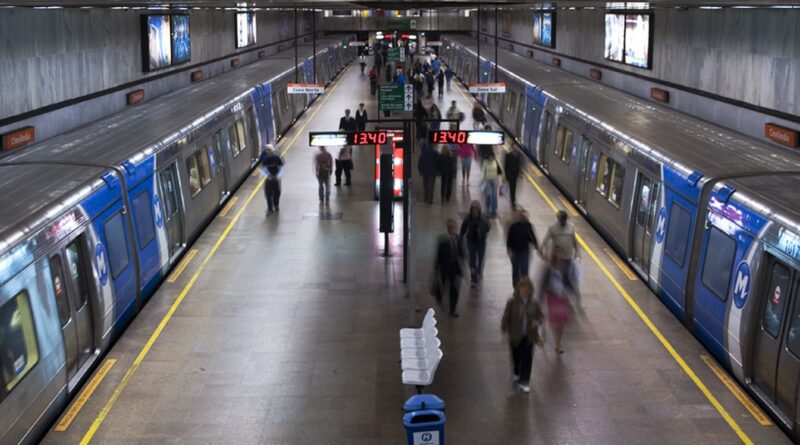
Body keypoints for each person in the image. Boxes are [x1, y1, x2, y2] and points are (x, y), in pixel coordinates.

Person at [501, 277, 543, 393]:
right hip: (515, 336)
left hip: (529, 336)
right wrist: (505, 332)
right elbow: (506, 318)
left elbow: (540, 316)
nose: (525, 290)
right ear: (519, 289)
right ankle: (516, 371)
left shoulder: (534, 302)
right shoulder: (512, 302)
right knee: (516, 357)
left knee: (527, 359)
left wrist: (536, 322)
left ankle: (525, 381)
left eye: (527, 288)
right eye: (523, 287)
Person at [540, 210, 582, 306]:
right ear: (558, 219)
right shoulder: (553, 228)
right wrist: (542, 249)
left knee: (567, 276)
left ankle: (571, 294)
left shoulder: (571, 227)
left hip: (568, 258)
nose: (562, 221)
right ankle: (562, 294)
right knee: (559, 277)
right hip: (556, 259)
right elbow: (546, 240)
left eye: (563, 219)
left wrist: (577, 252)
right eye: (560, 219)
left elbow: (574, 241)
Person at [543, 247, 572, 354]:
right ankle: (556, 340)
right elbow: (544, 284)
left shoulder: (564, 268)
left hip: (562, 297)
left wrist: (569, 294)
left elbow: (568, 282)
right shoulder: (548, 268)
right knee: (556, 320)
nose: (560, 256)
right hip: (552, 297)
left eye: (561, 253)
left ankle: (558, 343)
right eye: (557, 253)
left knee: (562, 321)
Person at [435, 219, 464, 317]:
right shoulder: (443, 240)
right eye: (450, 227)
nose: (453, 229)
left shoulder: (457, 238)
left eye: (454, 227)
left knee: (454, 289)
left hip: (455, 268)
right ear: (448, 228)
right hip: (445, 268)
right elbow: (439, 255)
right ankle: (441, 300)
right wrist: (435, 268)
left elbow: (461, 252)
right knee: (444, 287)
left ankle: (452, 310)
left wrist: (463, 264)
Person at [460, 201, 490, 287]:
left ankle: (479, 271)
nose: (475, 212)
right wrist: (460, 239)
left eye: (477, 210)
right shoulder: (467, 219)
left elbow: (488, 227)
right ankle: (473, 278)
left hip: (481, 242)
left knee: (480, 259)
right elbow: (462, 230)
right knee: (472, 260)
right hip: (471, 242)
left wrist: (483, 232)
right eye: (473, 210)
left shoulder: (483, 219)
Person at [506, 208, 539, 287]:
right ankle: (516, 287)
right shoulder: (513, 226)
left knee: (524, 270)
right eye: (521, 215)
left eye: (524, 216)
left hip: (524, 251)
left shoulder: (528, 225)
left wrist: (536, 245)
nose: (522, 217)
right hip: (515, 251)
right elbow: (509, 238)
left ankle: (525, 287)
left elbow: (532, 237)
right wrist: (509, 249)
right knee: (515, 271)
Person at [259, 144, 284, 216]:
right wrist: (267, 175)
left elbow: (282, 166)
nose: (267, 152)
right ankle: (270, 209)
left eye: (268, 150)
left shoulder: (276, 158)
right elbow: (262, 168)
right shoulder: (265, 159)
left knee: (277, 193)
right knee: (268, 194)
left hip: (276, 178)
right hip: (269, 179)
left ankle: (276, 205)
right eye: (266, 150)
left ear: (271, 151)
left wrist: (279, 175)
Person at [481, 152, 501, 217]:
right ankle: (487, 206)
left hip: (495, 179)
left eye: (492, 157)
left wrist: (503, 179)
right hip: (487, 180)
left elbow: (500, 170)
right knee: (489, 194)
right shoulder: (485, 162)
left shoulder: (496, 161)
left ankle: (494, 209)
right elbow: (483, 171)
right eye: (490, 157)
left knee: (494, 195)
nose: (491, 158)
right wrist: (482, 179)